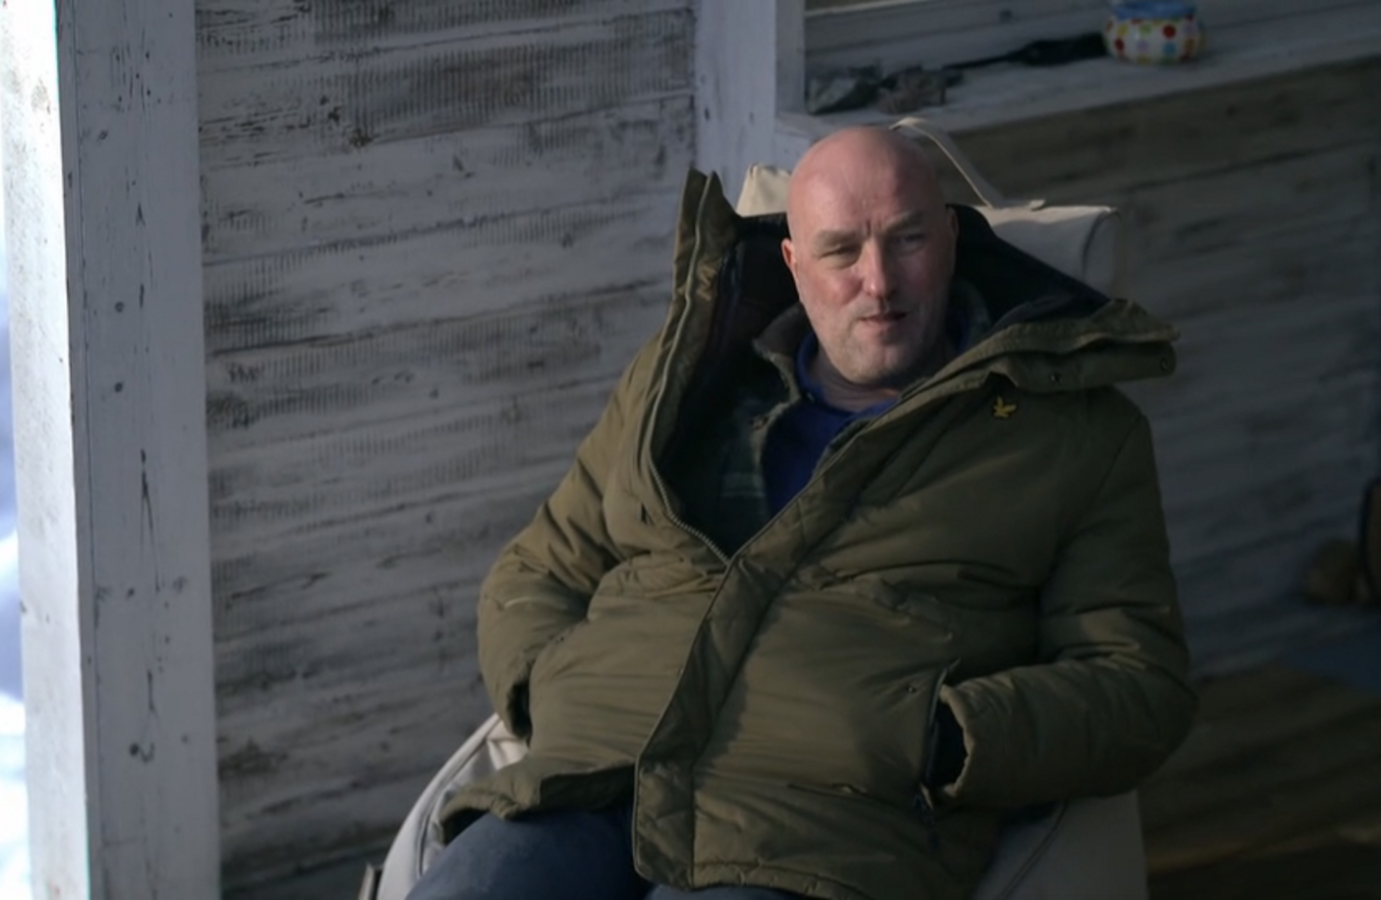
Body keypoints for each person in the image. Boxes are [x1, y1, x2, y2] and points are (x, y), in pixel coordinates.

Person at [409, 126, 1196, 900]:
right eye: (841, 251)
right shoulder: (689, 379)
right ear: (793, 263)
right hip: (587, 776)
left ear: (951, 238)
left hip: (817, 831)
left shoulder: (1073, 432)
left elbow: (1137, 685)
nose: (879, 283)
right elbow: (541, 565)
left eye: (907, 240)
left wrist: (940, 737)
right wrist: (551, 692)